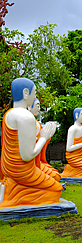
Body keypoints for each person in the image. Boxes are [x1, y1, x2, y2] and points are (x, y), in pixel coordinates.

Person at [0, 78, 62, 207]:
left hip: (8, 167)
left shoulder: (8, 114)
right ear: (26, 93)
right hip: (21, 169)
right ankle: (12, 194)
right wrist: (43, 137)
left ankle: (11, 189)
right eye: (34, 92)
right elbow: (27, 155)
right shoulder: (26, 116)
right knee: (56, 190)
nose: (35, 96)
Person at [29, 98, 61, 181]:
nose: (39, 108)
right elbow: (29, 147)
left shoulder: (37, 124)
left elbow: (40, 145)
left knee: (55, 174)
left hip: (37, 162)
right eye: (37, 105)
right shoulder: (27, 122)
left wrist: (47, 138)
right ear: (29, 106)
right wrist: (42, 138)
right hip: (29, 164)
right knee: (54, 176)